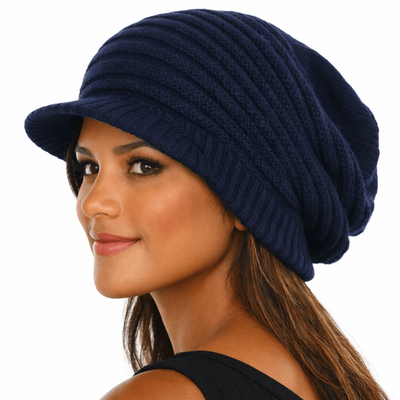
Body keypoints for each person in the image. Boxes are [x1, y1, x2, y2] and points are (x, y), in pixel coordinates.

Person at [24, 9, 388, 400]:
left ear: (245, 201)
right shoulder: (316, 377)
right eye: (89, 167)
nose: (94, 202)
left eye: (143, 166)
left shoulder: (162, 395)